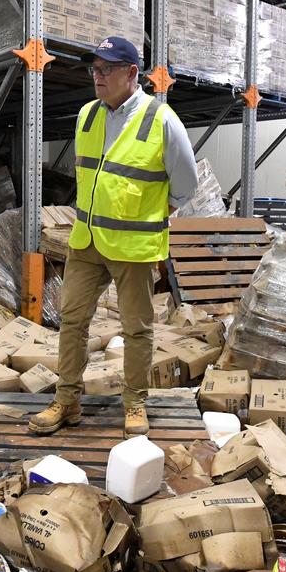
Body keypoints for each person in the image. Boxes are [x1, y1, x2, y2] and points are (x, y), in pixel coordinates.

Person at [29, 37, 199, 437]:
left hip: (133, 247)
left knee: (136, 329)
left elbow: (186, 186)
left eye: (107, 69)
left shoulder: (162, 120)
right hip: (86, 241)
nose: (98, 76)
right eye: (95, 69)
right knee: (72, 322)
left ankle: (135, 404)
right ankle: (67, 401)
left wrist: (150, 213)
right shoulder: (87, 115)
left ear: (131, 73)